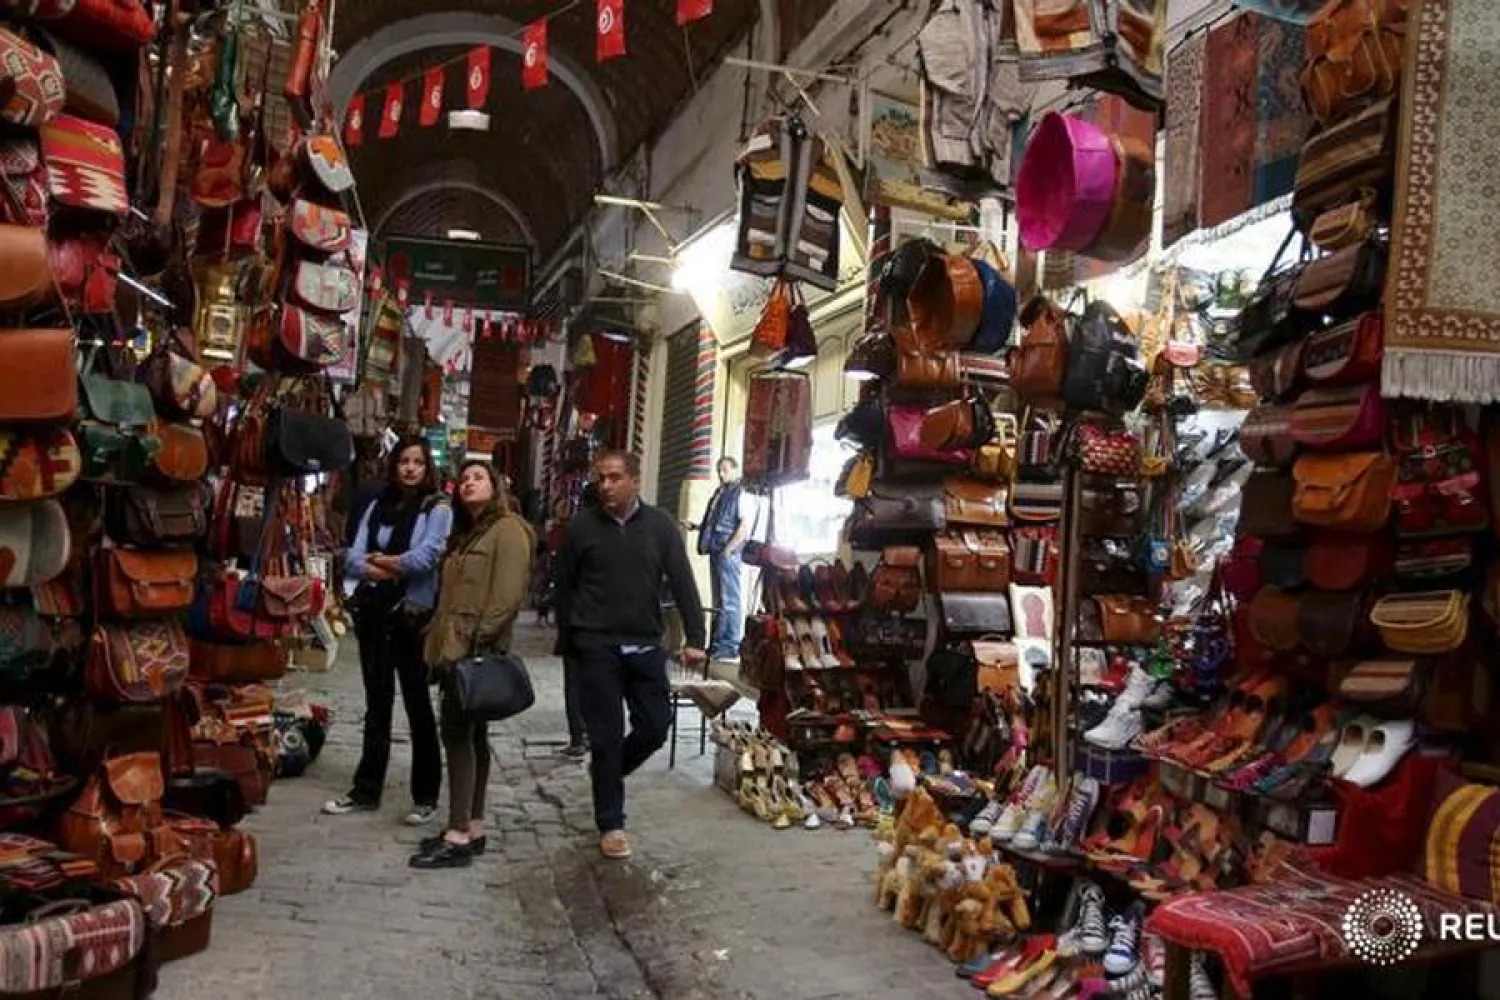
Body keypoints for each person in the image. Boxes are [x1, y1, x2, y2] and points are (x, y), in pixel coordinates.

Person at [556, 451, 706, 860]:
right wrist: (570, 640)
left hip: (643, 643)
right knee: (604, 736)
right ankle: (611, 822)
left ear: (635, 481)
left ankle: (609, 773)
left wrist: (696, 635)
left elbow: (682, 581)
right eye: (601, 478)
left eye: (615, 477)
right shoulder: (582, 527)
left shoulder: (660, 527)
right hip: (596, 644)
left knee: (656, 726)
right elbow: (564, 586)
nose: (606, 485)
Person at [409, 461, 535, 869]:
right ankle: (473, 826)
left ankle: (458, 831)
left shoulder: (510, 530)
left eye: (478, 477)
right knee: (473, 737)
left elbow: (506, 597)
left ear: (495, 485)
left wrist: (475, 644)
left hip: (472, 651)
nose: (469, 483)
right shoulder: (466, 534)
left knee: (457, 735)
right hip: (451, 647)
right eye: (463, 479)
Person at [325, 437, 451, 824]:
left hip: (411, 617)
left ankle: (426, 795)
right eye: (404, 461)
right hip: (376, 612)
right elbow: (353, 557)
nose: (410, 468)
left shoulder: (437, 508)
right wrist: (382, 566)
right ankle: (366, 790)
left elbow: (427, 557)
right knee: (377, 704)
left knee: (417, 706)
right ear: (394, 465)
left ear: (428, 468)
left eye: (418, 462)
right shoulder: (379, 505)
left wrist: (380, 563)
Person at [687, 456, 748, 663]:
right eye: (719, 470)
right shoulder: (720, 493)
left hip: (726, 551)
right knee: (720, 599)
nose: (721, 474)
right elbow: (716, 522)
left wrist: (729, 550)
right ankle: (717, 644)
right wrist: (697, 527)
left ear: (735, 469)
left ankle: (728, 645)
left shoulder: (740, 492)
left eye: (725, 469)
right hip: (717, 549)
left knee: (729, 598)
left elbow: (744, 525)